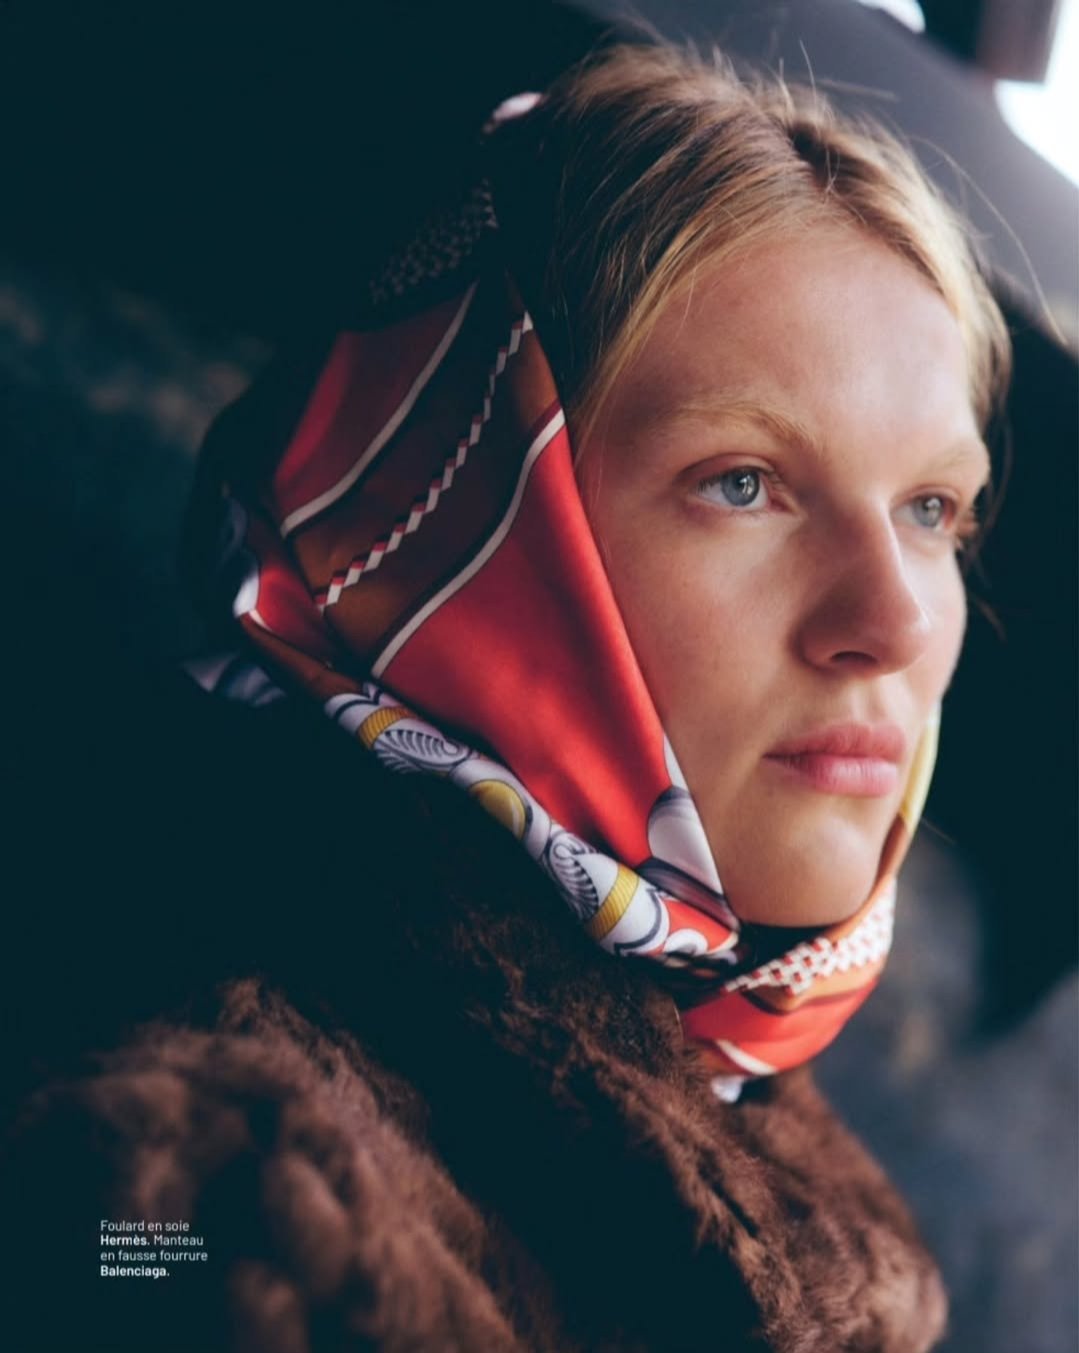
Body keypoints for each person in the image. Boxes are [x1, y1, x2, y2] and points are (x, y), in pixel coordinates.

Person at [5, 39, 1010, 1353]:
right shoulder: (213, 1186)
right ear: (467, 518)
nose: (890, 622)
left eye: (933, 508)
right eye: (744, 483)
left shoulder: (757, 1113)